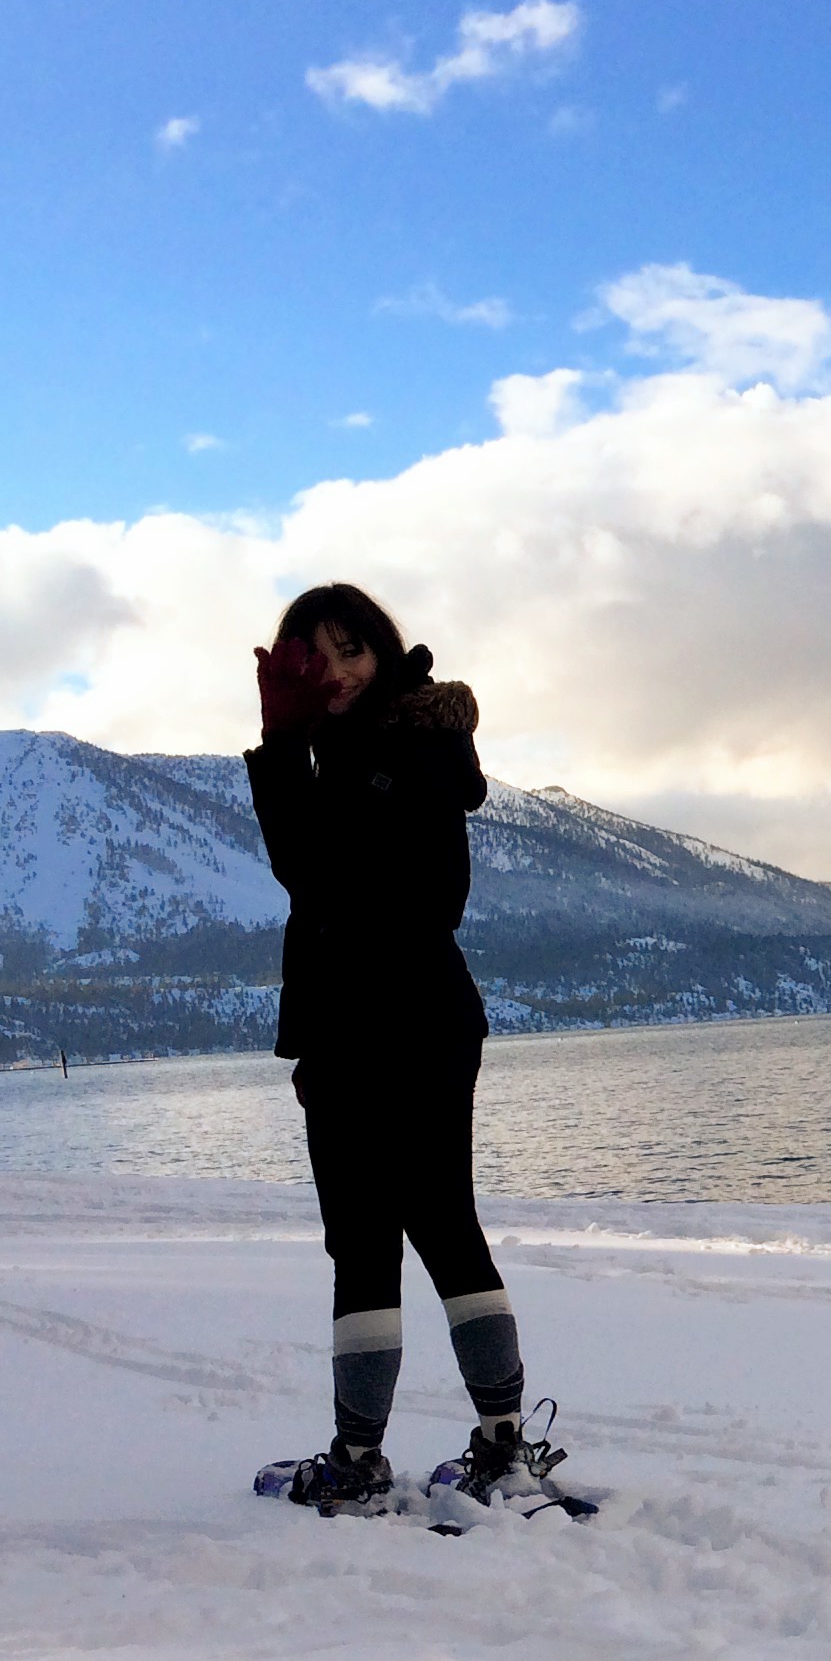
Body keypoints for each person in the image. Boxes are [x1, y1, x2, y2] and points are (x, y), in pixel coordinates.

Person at [245, 584, 560, 1514]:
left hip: (375, 1031)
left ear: (383, 654)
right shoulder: (403, 749)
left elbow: (314, 873)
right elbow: (328, 874)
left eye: (351, 651)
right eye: (315, 656)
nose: (336, 670)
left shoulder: (385, 754)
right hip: (422, 1024)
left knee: (369, 1245)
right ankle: (500, 1447)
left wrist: (280, 749)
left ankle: (358, 1460)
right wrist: (300, 749)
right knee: (441, 1229)